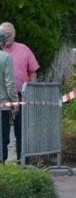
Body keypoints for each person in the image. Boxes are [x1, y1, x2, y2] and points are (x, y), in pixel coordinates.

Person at [0, 23, 39, 161]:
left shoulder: (24, 49)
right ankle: (3, 162)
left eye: (9, 34)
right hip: (4, 98)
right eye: (4, 34)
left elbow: (33, 71)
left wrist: (31, 92)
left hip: (21, 95)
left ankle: (22, 161)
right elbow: (9, 82)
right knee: (2, 133)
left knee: (21, 131)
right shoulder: (4, 56)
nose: (7, 37)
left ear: (15, 34)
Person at [0, 32, 18, 162]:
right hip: (3, 105)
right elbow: (10, 83)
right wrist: (15, 102)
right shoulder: (6, 58)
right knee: (2, 138)